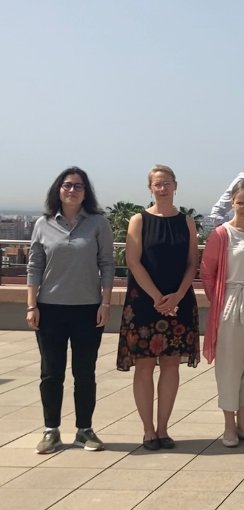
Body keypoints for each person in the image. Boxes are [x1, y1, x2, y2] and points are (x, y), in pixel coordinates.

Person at [27, 167, 114, 454]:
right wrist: (32, 305)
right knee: (51, 373)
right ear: (58, 189)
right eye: (67, 185)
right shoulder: (43, 223)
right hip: (49, 309)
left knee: (84, 373)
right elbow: (34, 267)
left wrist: (105, 302)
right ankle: (51, 430)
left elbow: (107, 265)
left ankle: (84, 430)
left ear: (86, 192)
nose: (72, 190)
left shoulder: (98, 223)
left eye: (78, 186)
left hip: (88, 309)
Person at [116, 165, 200, 451]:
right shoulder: (138, 220)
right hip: (144, 303)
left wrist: (176, 296)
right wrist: (157, 297)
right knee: (144, 365)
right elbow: (133, 262)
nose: (162, 188)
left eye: (167, 183)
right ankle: (148, 430)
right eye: (157, 184)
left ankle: (164, 429)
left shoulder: (187, 221)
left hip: (178, 301)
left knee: (171, 364)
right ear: (150, 188)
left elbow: (192, 263)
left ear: (176, 186)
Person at [199, 180, 244, 447]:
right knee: (230, 364)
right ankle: (229, 425)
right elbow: (207, 274)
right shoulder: (221, 234)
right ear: (233, 203)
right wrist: (220, 301)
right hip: (231, 300)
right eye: (241, 202)